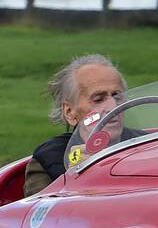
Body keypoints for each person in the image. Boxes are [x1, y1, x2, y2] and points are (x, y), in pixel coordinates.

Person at [24, 54, 128, 197]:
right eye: (98, 99)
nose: (112, 106)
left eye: (117, 96)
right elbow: (40, 214)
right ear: (70, 112)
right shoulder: (50, 159)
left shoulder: (149, 142)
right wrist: (77, 179)